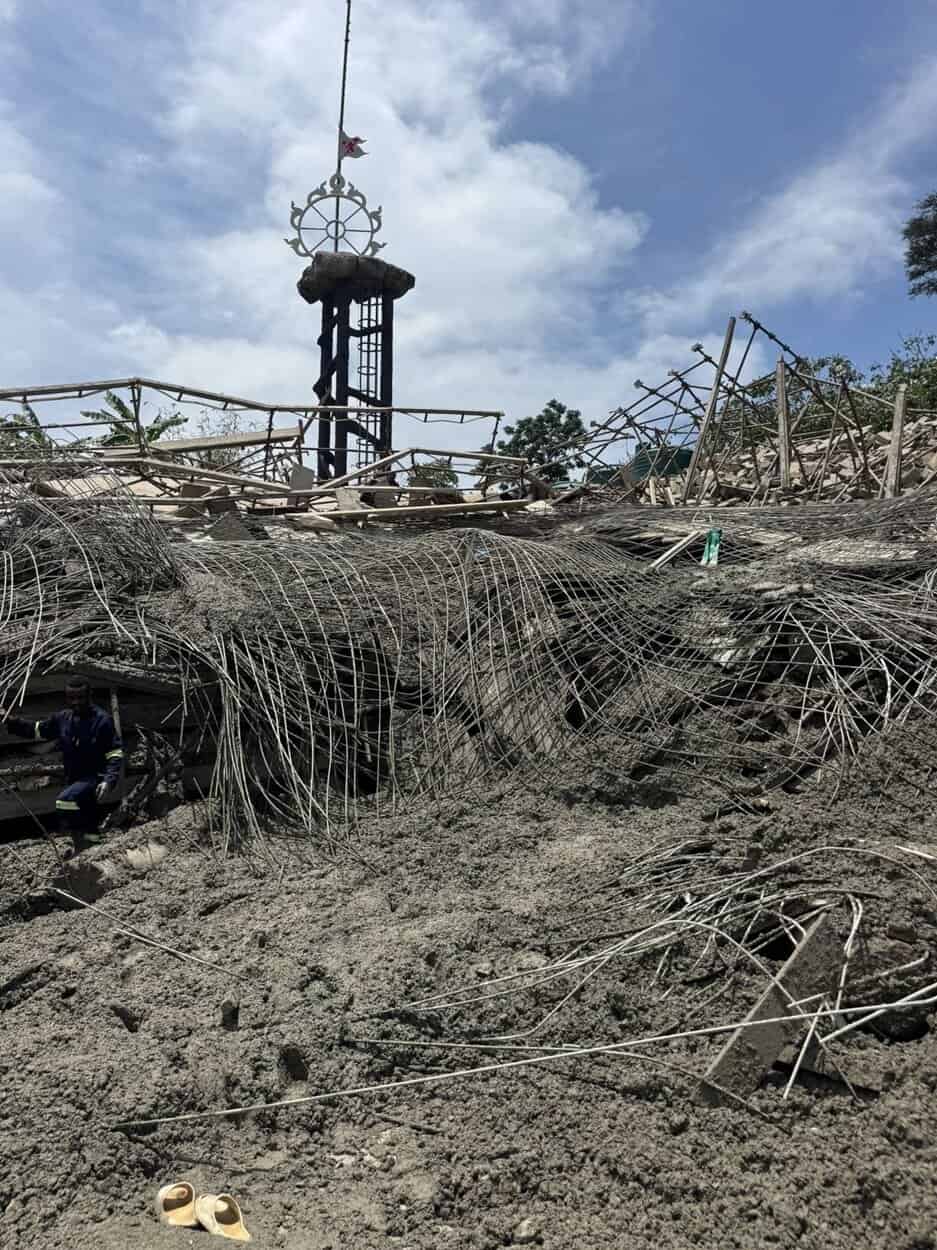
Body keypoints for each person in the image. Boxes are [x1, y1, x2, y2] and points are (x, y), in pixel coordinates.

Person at [3, 677, 124, 852]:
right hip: (73, 777)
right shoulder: (63, 718)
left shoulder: (102, 720)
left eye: (81, 698)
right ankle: (91, 853)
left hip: (93, 779)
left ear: (90, 696)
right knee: (89, 821)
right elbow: (38, 729)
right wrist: (10, 721)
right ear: (67, 698)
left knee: (64, 801)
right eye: (71, 698)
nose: (76, 702)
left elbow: (114, 752)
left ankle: (84, 853)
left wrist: (109, 780)